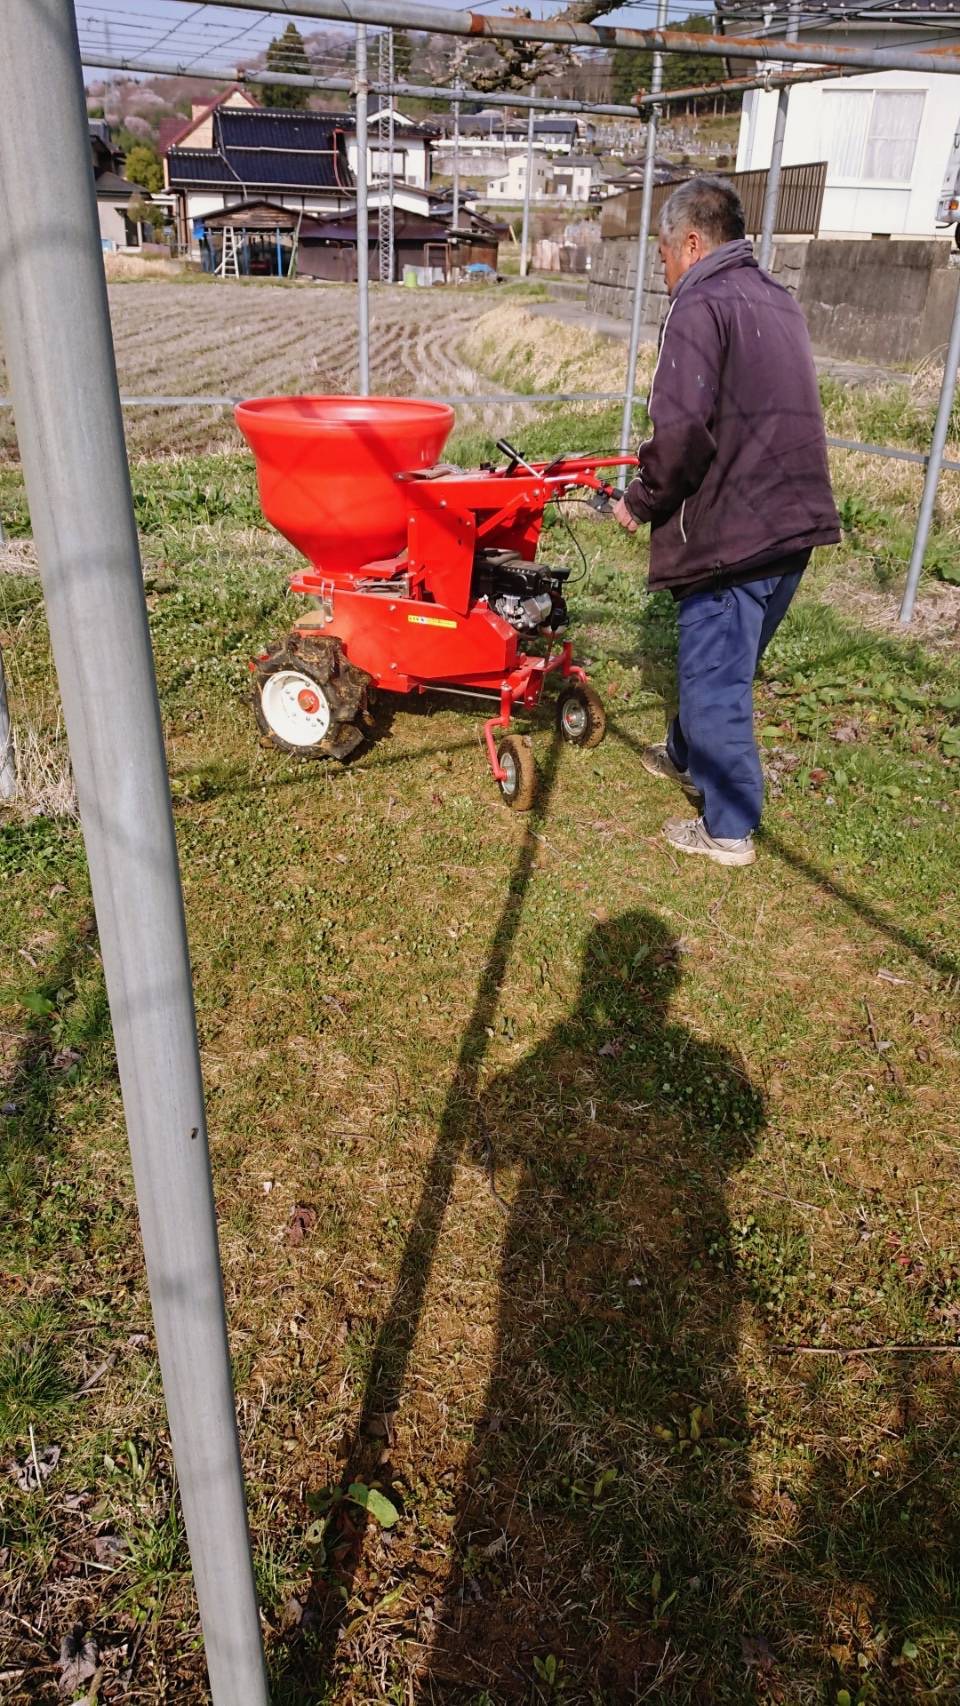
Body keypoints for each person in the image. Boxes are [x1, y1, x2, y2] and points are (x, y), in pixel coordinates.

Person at [613, 176, 839, 868]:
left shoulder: (699, 303)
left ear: (690, 242)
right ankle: (686, 753)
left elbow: (681, 432)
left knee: (717, 676)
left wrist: (640, 499)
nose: (662, 268)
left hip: (734, 533)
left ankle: (728, 828)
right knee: (723, 662)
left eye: (662, 253)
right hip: (793, 520)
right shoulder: (776, 299)